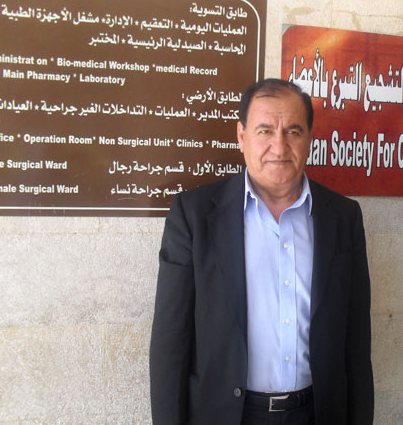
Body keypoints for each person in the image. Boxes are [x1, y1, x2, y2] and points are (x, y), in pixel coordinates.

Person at [150, 78, 374, 425]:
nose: (279, 146)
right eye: (265, 131)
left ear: (310, 138)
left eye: (293, 131)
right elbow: (170, 344)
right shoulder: (193, 216)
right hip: (226, 416)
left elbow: (357, 343)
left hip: (318, 413)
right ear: (241, 136)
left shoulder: (343, 218)